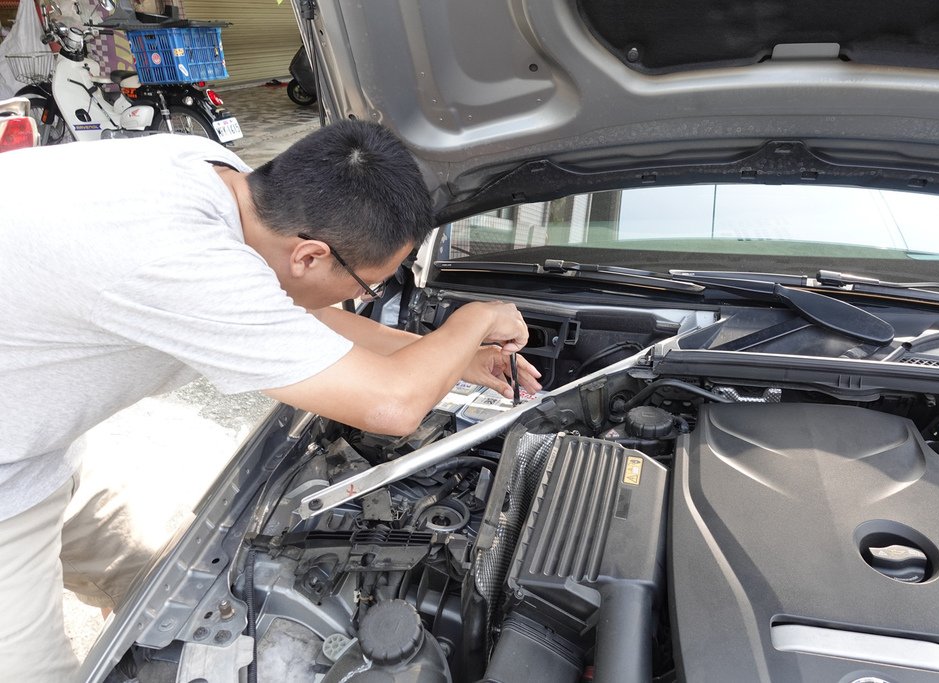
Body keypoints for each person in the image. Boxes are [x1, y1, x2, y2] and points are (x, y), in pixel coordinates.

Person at [0, 120, 541, 681]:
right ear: (308, 255)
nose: (364, 299)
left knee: (152, 583)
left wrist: (449, 356)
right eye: (368, 287)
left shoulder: (218, 177)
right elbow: (392, 408)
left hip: (38, 437)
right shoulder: (174, 258)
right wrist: (474, 319)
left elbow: (299, 311)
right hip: (6, 473)